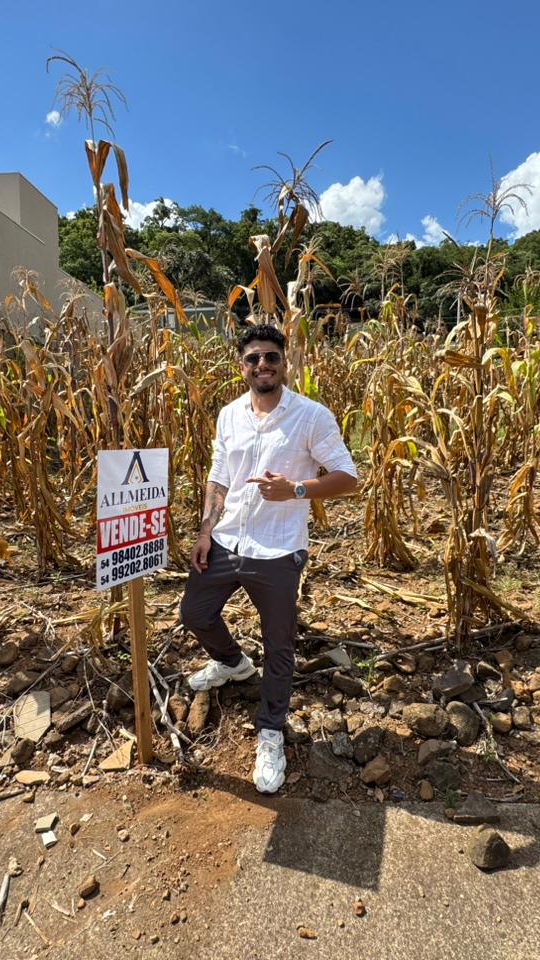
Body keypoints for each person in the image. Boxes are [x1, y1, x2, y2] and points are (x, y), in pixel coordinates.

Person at [179, 323, 359, 793]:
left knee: (279, 644)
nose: (263, 365)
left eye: (271, 357)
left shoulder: (311, 416)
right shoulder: (229, 415)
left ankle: (271, 732)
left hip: (278, 549)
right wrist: (205, 531)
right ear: (242, 366)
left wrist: (295, 489)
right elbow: (219, 476)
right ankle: (233, 663)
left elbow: (347, 477)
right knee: (194, 613)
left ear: (284, 362)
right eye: (254, 358)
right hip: (227, 540)